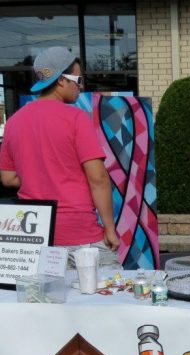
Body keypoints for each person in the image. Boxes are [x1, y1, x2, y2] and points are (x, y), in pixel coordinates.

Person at [0, 46, 121, 269]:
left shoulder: (14, 122)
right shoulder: (76, 118)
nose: (81, 86)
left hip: (35, 235)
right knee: (109, 296)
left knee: (47, 302)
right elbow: (98, 179)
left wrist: (42, 176)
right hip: (80, 234)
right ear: (61, 80)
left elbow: (7, 178)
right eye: (78, 79)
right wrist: (110, 228)